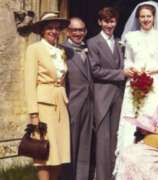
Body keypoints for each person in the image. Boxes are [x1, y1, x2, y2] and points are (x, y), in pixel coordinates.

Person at [114, 1, 158, 173]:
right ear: (137, 18)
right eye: (142, 16)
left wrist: (157, 69)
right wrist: (131, 68)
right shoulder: (131, 37)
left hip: (155, 85)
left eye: (148, 16)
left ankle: (152, 171)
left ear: (154, 17)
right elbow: (127, 59)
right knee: (130, 124)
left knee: (152, 123)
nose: (145, 19)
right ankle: (127, 171)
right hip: (134, 85)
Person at [87, 7, 133, 180]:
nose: (109, 25)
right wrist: (121, 74)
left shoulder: (119, 41)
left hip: (119, 96)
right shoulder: (93, 42)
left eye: (112, 21)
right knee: (103, 140)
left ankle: (116, 176)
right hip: (102, 96)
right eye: (106, 21)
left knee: (116, 138)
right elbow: (95, 70)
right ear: (100, 22)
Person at [24, 12, 70, 180]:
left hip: (61, 104)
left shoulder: (61, 51)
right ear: (42, 30)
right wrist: (34, 114)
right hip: (44, 106)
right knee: (43, 151)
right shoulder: (34, 49)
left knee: (59, 151)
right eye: (49, 27)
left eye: (57, 28)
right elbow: (30, 83)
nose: (54, 31)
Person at [60, 17, 94, 180]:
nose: (78, 33)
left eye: (81, 30)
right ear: (68, 32)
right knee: (70, 146)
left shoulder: (88, 50)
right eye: (74, 30)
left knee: (85, 145)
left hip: (88, 104)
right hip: (72, 104)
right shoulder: (62, 51)